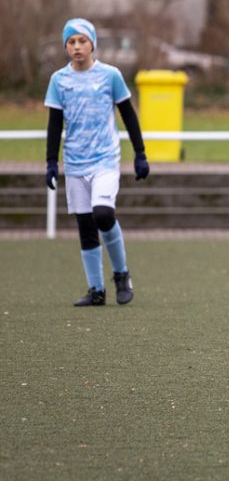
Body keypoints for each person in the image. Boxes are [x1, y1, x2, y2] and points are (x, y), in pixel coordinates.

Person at [45, 18, 150, 307]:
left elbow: (128, 114)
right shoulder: (59, 80)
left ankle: (121, 274)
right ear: (66, 46)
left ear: (92, 44)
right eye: (71, 42)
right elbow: (54, 124)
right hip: (75, 162)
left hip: (105, 159)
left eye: (82, 41)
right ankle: (96, 290)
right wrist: (51, 162)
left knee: (103, 214)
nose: (77, 46)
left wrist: (140, 153)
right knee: (85, 226)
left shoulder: (110, 75)